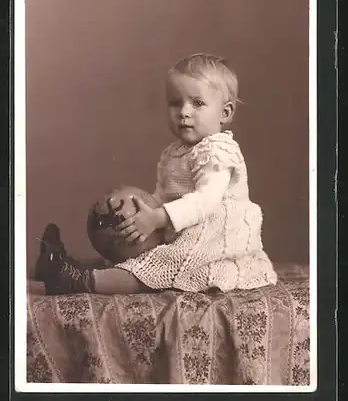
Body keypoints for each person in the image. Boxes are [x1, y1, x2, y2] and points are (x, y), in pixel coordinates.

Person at [35, 53, 277, 295]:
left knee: (160, 267)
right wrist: (144, 214)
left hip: (215, 242)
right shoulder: (174, 153)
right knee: (138, 252)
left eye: (197, 103)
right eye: (175, 102)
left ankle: (78, 281)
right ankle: (64, 265)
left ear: (225, 113)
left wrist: (157, 218)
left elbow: (206, 200)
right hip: (185, 231)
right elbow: (163, 196)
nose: (184, 112)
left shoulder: (218, 150)